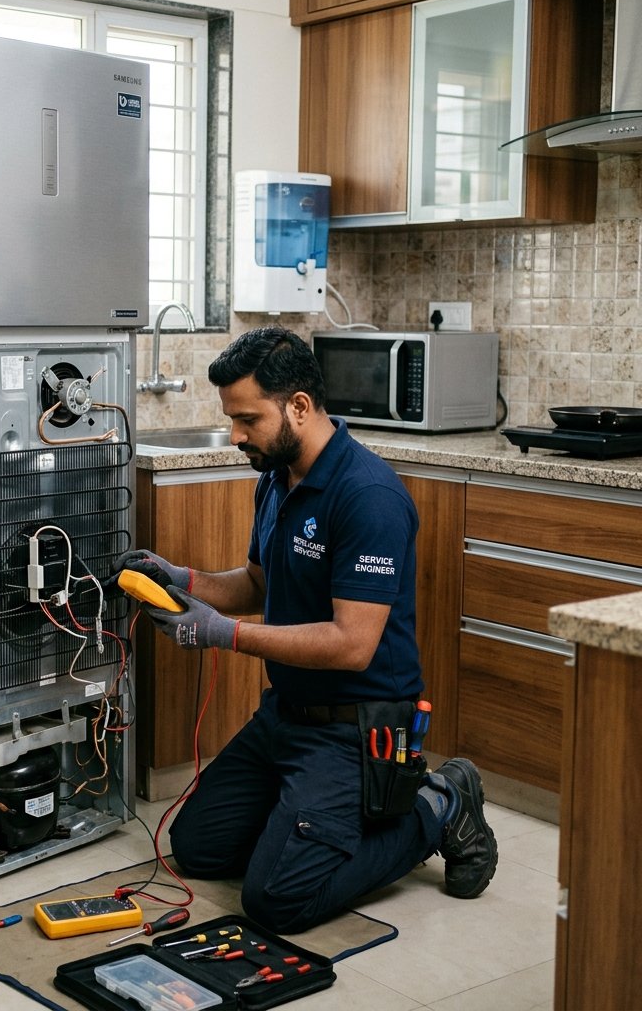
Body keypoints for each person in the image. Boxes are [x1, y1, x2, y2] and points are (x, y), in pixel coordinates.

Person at [122, 326, 497, 934]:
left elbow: (352, 645)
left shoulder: (368, 496)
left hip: (356, 728)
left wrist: (224, 635)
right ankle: (310, 822)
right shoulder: (276, 477)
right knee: (197, 849)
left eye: (247, 419)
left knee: (277, 901)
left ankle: (440, 803)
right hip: (286, 716)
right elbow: (258, 583)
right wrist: (181, 577)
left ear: (298, 406)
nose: (236, 434)